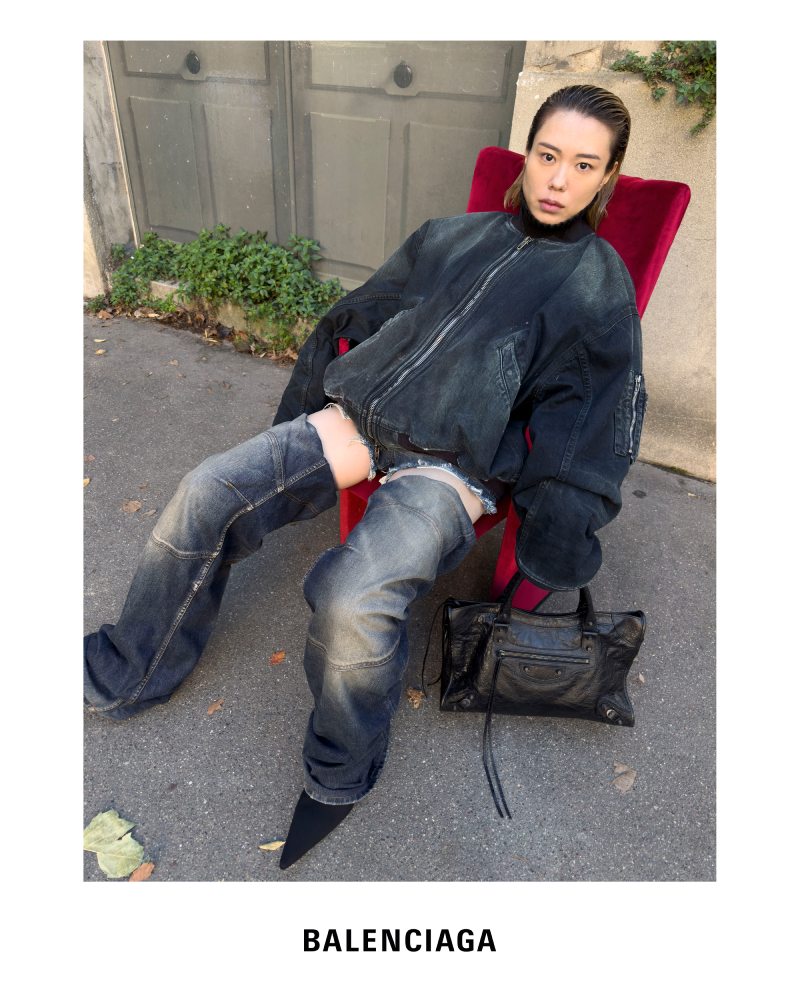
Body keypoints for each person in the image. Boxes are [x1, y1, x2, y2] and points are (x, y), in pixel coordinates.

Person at [84, 84, 646, 869]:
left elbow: (591, 424)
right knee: (206, 491)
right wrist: (299, 413)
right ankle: (129, 667)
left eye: (584, 165)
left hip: (453, 467)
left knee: (352, 600)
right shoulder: (452, 236)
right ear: (527, 153)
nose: (558, 180)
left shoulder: (598, 288)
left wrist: (555, 541)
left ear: (608, 175)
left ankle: (341, 767)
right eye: (548, 155)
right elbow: (358, 311)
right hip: (362, 421)